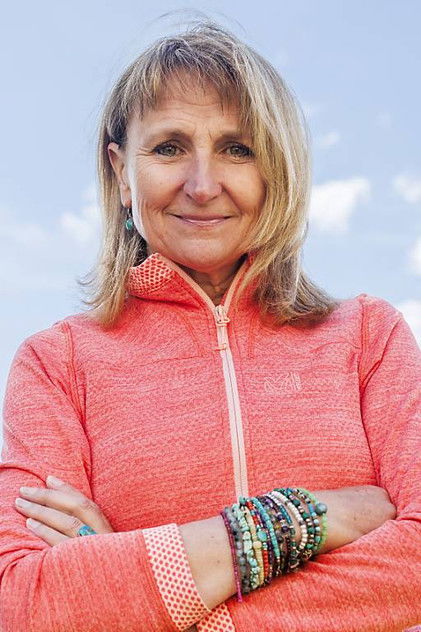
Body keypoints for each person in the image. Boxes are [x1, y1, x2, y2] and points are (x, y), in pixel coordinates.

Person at [0, 20, 420, 632]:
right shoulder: (56, 364)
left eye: (237, 149)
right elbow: (21, 599)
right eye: (169, 148)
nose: (202, 186)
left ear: (275, 170)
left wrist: (138, 590)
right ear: (121, 174)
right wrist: (290, 522)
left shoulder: (368, 338)